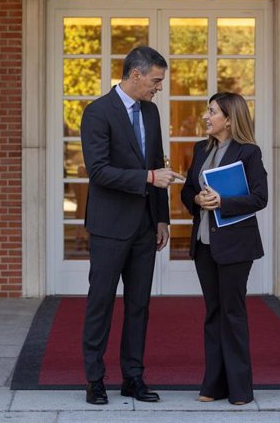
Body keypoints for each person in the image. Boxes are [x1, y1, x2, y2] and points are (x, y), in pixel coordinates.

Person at [80, 46, 184, 405]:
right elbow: (99, 171)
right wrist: (148, 177)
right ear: (136, 74)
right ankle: (95, 380)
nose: (158, 88)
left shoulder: (152, 113)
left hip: (144, 227)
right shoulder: (97, 112)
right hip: (109, 226)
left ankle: (133, 378)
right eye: (155, 81)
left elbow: (157, 162)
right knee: (101, 303)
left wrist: (161, 218)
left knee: (139, 305)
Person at [180, 92, 268, 405]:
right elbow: (188, 190)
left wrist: (223, 202)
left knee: (232, 314)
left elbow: (260, 197)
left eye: (212, 111)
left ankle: (241, 389)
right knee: (213, 313)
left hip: (235, 247)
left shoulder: (249, 153)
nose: (206, 116)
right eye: (208, 111)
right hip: (204, 245)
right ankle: (214, 386)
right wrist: (196, 198)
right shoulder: (200, 149)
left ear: (229, 119)